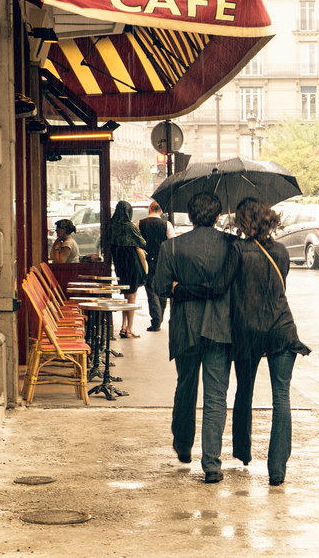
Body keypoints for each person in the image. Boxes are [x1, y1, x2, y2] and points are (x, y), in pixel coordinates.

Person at [175, 197, 311, 487]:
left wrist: (181, 288)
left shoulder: (238, 249)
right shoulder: (283, 251)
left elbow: (218, 287)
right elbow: (278, 287)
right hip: (283, 328)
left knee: (243, 391)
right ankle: (277, 472)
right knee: (282, 398)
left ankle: (244, 451)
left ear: (242, 221)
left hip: (248, 332)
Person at [153, 192, 236, 483]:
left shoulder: (172, 247)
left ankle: (183, 444)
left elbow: (160, 286)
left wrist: (178, 286)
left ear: (190, 217)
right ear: (217, 217)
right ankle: (212, 463)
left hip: (185, 327)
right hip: (221, 329)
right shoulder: (231, 245)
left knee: (185, 386)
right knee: (216, 396)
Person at [105, 201, 148, 338]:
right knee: (132, 297)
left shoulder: (110, 226)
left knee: (126, 296)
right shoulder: (130, 227)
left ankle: (123, 327)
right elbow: (142, 242)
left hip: (119, 264)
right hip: (132, 263)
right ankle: (129, 329)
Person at [139, 201, 176, 333]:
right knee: (161, 289)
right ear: (160, 211)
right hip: (162, 261)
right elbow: (172, 243)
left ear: (149, 209)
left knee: (150, 290)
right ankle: (159, 317)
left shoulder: (140, 223)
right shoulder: (167, 224)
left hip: (147, 261)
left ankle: (156, 320)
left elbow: (138, 242)